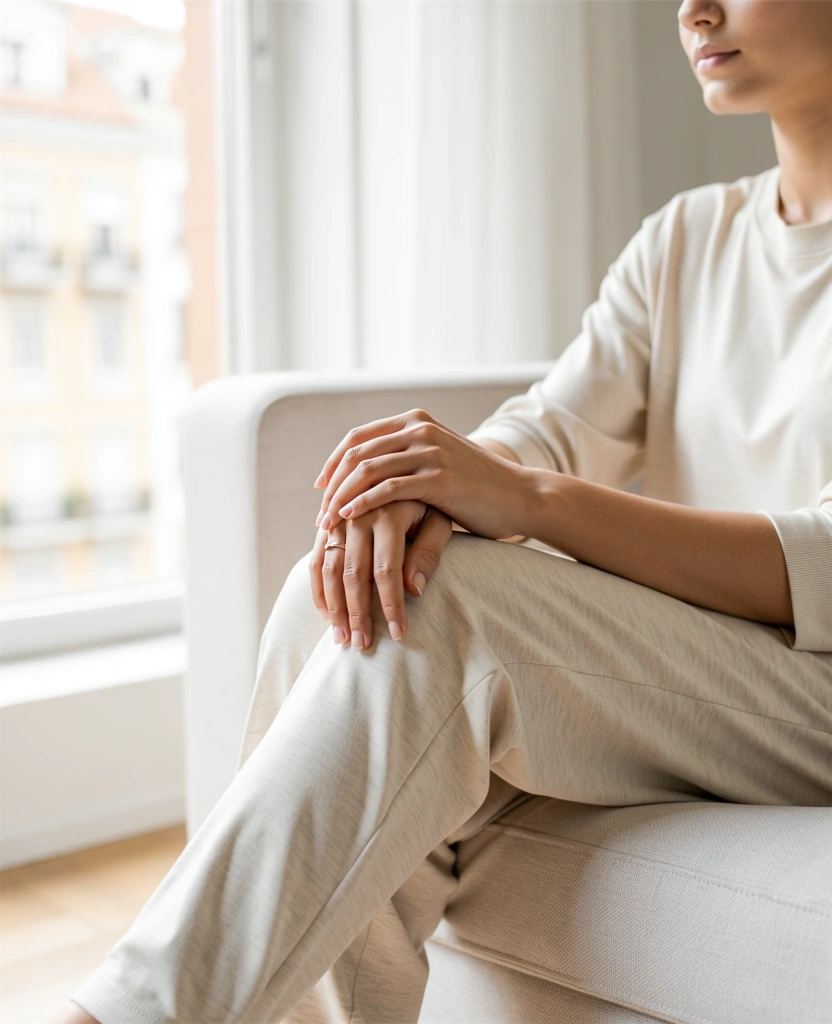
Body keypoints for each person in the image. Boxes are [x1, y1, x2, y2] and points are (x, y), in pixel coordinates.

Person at [53, 0, 832, 1021]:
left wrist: (526, 500)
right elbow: (545, 427)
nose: (694, 9)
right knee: (341, 593)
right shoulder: (688, 236)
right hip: (703, 687)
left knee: (448, 606)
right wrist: (423, 498)